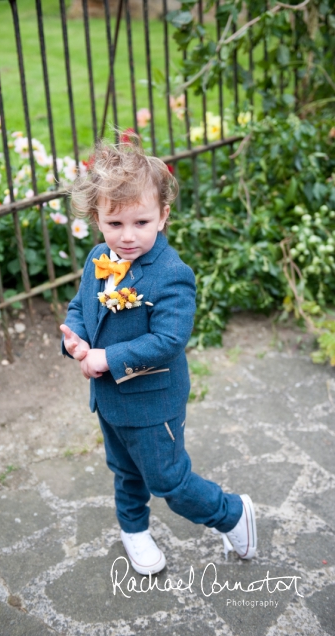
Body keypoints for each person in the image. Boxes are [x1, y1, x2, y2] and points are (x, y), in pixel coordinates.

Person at [59, 136, 257, 576]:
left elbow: (169, 339)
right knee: (124, 469)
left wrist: (106, 357)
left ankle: (231, 513)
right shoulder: (98, 258)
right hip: (110, 401)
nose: (127, 236)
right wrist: (74, 339)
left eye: (141, 222)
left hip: (152, 401)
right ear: (97, 219)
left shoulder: (171, 275)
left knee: (167, 478)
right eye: (115, 224)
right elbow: (82, 307)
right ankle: (134, 529)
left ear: (163, 216)